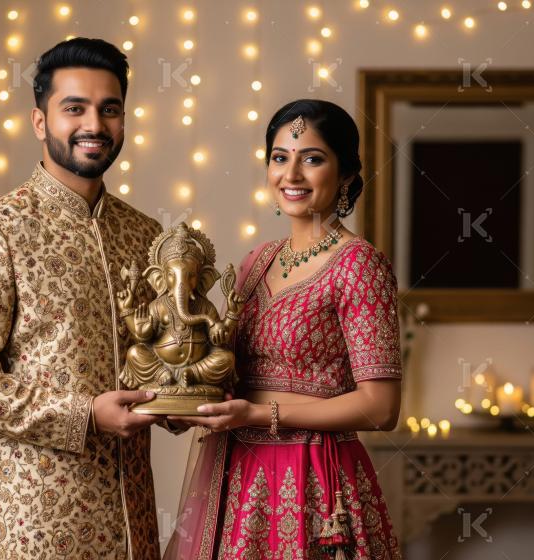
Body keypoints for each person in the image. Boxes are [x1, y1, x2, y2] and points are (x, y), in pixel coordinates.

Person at [0, 38, 167, 559]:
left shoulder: (145, 235)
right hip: (31, 529)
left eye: (109, 109)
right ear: (40, 122)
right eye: (74, 108)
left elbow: (155, 360)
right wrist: (84, 414)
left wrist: (182, 398)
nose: (94, 125)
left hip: (133, 528)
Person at [164, 99, 403, 559]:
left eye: (311, 159)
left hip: (314, 478)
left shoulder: (359, 265)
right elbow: (227, 371)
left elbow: (381, 407)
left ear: (346, 173)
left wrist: (259, 414)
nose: (291, 174)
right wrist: (184, 403)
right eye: (280, 157)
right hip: (238, 478)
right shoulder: (256, 262)